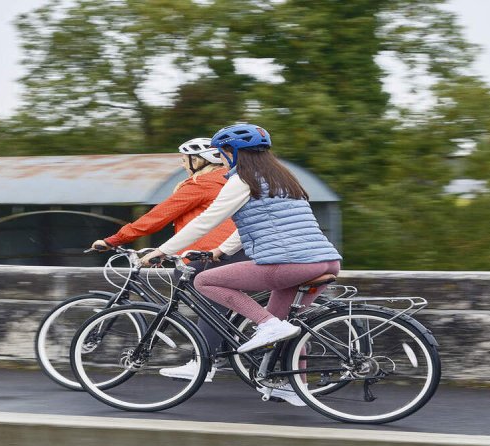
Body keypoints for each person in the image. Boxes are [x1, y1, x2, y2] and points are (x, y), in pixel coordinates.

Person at [141, 123, 342, 404]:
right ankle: (291, 385)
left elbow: (206, 221)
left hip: (290, 262)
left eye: (222, 154)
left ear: (233, 153)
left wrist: (162, 251)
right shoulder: (283, 178)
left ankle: (266, 325)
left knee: (205, 281)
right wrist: (220, 251)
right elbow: (250, 224)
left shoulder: (241, 179)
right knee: (287, 324)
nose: (221, 160)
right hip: (326, 261)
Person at [90, 138, 241, 382]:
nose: (183, 165)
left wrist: (113, 240)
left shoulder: (202, 184)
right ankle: (222, 351)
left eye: (185, 160)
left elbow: (156, 218)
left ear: (201, 160)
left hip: (208, 253)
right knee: (218, 305)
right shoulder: (228, 180)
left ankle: (204, 362)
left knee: (208, 304)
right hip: (234, 251)